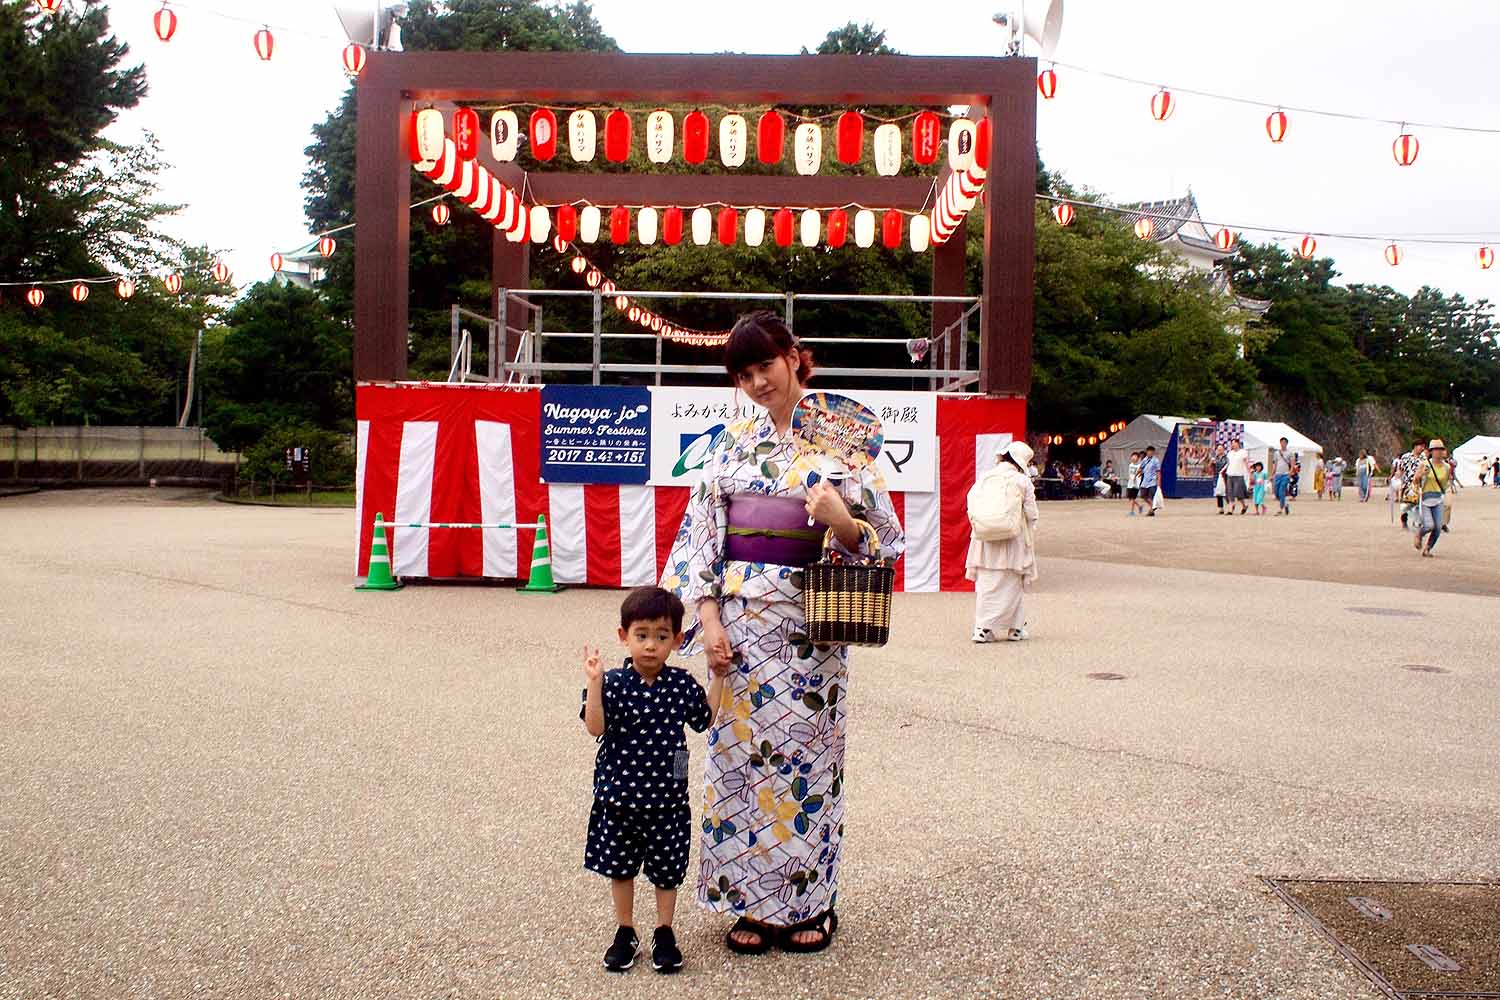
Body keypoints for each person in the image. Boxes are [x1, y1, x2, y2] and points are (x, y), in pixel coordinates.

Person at [661, 311, 904, 956]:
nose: (756, 382)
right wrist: (708, 618)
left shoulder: (849, 434)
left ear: (795, 356)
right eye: (743, 374)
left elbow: (888, 537)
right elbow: (699, 537)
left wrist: (842, 522)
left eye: (764, 365)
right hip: (739, 626)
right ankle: (749, 902)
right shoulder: (725, 441)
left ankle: (810, 902)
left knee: (809, 763)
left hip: (811, 626)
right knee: (738, 761)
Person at [581, 587, 724, 974]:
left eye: (661, 637)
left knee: (667, 869)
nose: (650, 646)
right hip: (619, 796)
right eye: (641, 635)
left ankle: (665, 931)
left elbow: (704, 718)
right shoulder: (611, 683)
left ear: (677, 641)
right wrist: (594, 682)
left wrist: (718, 678)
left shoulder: (680, 684)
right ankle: (625, 930)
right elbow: (595, 726)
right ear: (623, 636)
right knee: (620, 867)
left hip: (668, 799)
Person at [967, 440, 1040, 643]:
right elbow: (1031, 513)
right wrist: (1030, 529)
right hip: (1013, 539)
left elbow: (971, 501)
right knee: (1012, 584)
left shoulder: (985, 477)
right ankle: (1015, 629)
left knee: (986, 585)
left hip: (985, 539)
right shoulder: (1022, 481)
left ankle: (982, 628)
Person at [1412, 439, 1452, 557]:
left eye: (1441, 449)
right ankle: (1419, 534)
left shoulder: (1447, 467)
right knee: (1429, 525)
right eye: (1436, 450)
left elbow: (1446, 483)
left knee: (1438, 527)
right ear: (1431, 452)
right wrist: (1420, 475)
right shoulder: (1425, 465)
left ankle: (1428, 549)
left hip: (1438, 498)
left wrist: (1447, 496)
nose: (1439, 452)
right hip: (1425, 499)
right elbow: (1415, 480)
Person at [1396, 439, 1427, 529]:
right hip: (1407, 484)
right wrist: (1398, 476)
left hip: (1418, 484)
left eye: (1423, 447)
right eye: (1421, 446)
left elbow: (1425, 470)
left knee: (1418, 504)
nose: (1422, 448)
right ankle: (1404, 521)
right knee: (1406, 504)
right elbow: (1400, 469)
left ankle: (1417, 521)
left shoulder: (1423, 458)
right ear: (1415, 446)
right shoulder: (1405, 457)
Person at [1225, 437, 1250, 514]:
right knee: (1230, 492)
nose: (1233, 445)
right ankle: (1231, 508)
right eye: (1232, 443)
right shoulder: (1230, 453)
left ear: (1238, 444)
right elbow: (1228, 463)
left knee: (1238, 493)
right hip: (1230, 474)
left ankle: (1244, 505)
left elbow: (1246, 463)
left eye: (1234, 443)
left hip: (1239, 475)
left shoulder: (1243, 452)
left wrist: (1249, 473)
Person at [1272, 438, 1294, 515]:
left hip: (1285, 474)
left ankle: (1280, 509)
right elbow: (1275, 464)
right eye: (1281, 442)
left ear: (1286, 443)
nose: (1283, 444)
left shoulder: (1290, 453)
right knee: (1277, 492)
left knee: (1282, 491)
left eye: (1284, 442)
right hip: (1278, 474)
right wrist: (1273, 474)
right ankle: (1285, 504)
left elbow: (1292, 464)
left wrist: (1290, 473)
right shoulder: (1276, 453)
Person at [1138, 445, 1162, 516]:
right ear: (1147, 452)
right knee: (1143, 495)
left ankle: (1151, 510)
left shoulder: (1156, 461)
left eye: (1151, 452)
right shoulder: (1144, 460)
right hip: (1145, 481)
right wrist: (1138, 473)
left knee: (1151, 496)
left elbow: (1158, 471)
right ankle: (1152, 507)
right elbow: (1141, 468)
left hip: (1152, 481)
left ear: (1153, 452)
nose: (1150, 453)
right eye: (1149, 451)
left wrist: (1158, 481)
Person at [1212, 444, 1229, 514]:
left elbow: (1227, 465)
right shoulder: (1215, 458)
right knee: (1218, 493)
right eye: (1218, 449)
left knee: (1226, 492)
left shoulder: (1226, 458)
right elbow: (1211, 468)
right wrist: (1212, 463)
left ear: (1223, 450)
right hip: (1216, 476)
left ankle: (1230, 506)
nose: (1219, 451)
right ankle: (1220, 508)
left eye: (1221, 449)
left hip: (1224, 476)